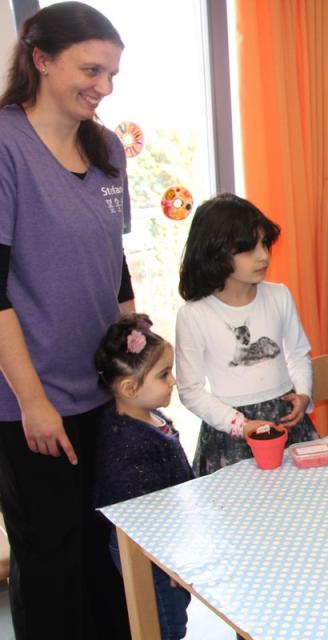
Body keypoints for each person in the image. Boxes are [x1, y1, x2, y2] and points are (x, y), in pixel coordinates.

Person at [0, 3, 134, 637]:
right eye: (91, 69)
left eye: (111, 74)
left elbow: (117, 261)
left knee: (105, 552)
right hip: (32, 401)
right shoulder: (5, 146)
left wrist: (136, 357)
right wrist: (33, 401)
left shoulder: (105, 146)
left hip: (104, 389)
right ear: (42, 59)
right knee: (51, 564)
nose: (103, 87)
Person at [176, 194, 317, 476]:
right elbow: (190, 390)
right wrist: (239, 424)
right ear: (215, 252)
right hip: (230, 436)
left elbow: (299, 353)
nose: (263, 255)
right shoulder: (194, 315)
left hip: (288, 423)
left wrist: (303, 393)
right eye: (249, 248)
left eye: (264, 243)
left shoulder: (279, 296)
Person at [93, 314, 192, 639]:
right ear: (129, 387)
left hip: (166, 543)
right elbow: (139, 519)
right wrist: (169, 560)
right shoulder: (126, 442)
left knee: (175, 617)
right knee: (163, 627)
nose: (173, 381)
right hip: (148, 554)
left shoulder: (151, 417)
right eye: (164, 374)